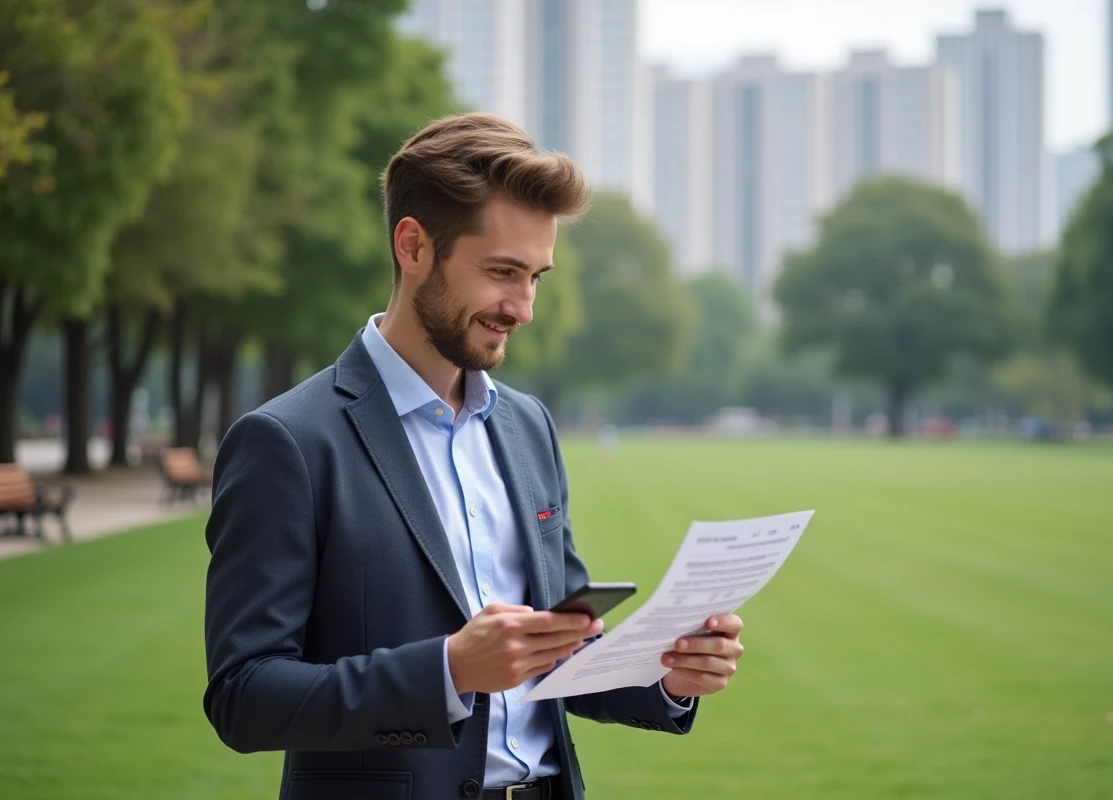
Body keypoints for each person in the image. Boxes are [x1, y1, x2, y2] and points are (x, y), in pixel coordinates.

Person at [203, 113, 746, 800]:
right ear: (413, 246)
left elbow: (559, 651)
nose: (522, 307)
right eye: (501, 272)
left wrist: (665, 676)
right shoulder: (287, 443)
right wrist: (448, 670)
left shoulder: (528, 426)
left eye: (537, 277)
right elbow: (244, 696)